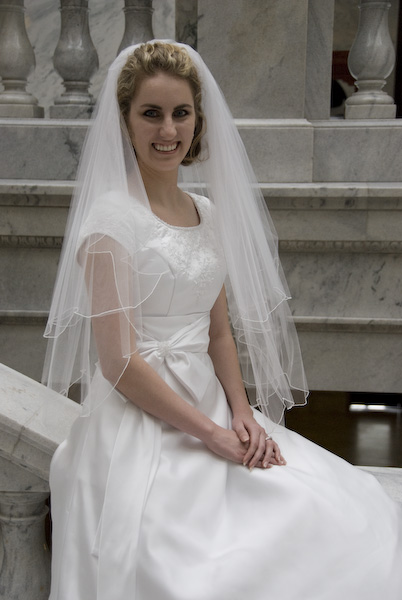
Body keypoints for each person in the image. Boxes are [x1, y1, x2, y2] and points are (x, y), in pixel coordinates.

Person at [43, 41, 402, 600]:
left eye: (181, 113)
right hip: (141, 420)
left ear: (198, 120)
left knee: (325, 507)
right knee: (203, 560)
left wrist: (241, 414)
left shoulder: (206, 213)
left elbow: (217, 333)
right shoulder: (111, 222)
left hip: (213, 402)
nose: (168, 130)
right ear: (125, 121)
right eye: (151, 113)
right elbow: (119, 363)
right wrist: (210, 435)